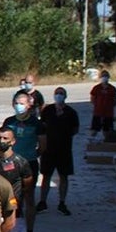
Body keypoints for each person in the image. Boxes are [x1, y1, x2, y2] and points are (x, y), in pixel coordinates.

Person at [3, 90, 45, 232]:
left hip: (29, 164)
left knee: (29, 198)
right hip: (11, 165)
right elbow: (3, 141)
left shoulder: (36, 123)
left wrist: (32, 155)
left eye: (22, 103)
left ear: (29, 104)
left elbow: (43, 145)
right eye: (16, 103)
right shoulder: (9, 122)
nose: (19, 106)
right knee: (11, 199)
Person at [38, 86, 80, 216]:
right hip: (48, 150)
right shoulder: (48, 110)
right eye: (57, 93)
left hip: (64, 150)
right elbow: (42, 126)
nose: (59, 95)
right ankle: (42, 201)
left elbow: (75, 129)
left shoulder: (71, 112)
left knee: (64, 177)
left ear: (65, 96)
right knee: (46, 176)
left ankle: (62, 202)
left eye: (61, 93)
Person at [89, 69, 116, 138]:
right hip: (98, 112)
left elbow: (115, 100)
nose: (104, 77)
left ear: (108, 77)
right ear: (100, 77)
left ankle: (107, 143)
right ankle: (92, 143)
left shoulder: (112, 89)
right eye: (103, 76)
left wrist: (109, 106)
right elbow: (92, 99)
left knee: (108, 131)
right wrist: (97, 106)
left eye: (106, 76)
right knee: (94, 130)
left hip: (108, 113)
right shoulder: (96, 88)